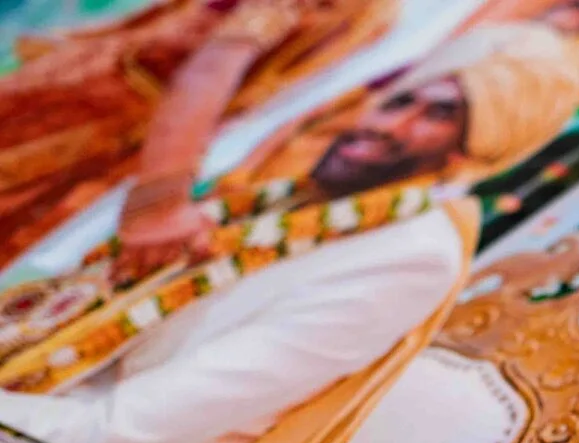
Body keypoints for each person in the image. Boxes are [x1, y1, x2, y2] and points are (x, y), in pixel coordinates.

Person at [0, 24, 579, 443]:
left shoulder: (408, 257)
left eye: (437, 115)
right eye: (400, 101)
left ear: (473, 151)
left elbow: (121, 438)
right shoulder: (299, 201)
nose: (383, 125)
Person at [0, 0, 400, 266]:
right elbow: (214, 66)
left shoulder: (382, 16)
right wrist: (158, 201)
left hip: (132, 135)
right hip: (82, 106)